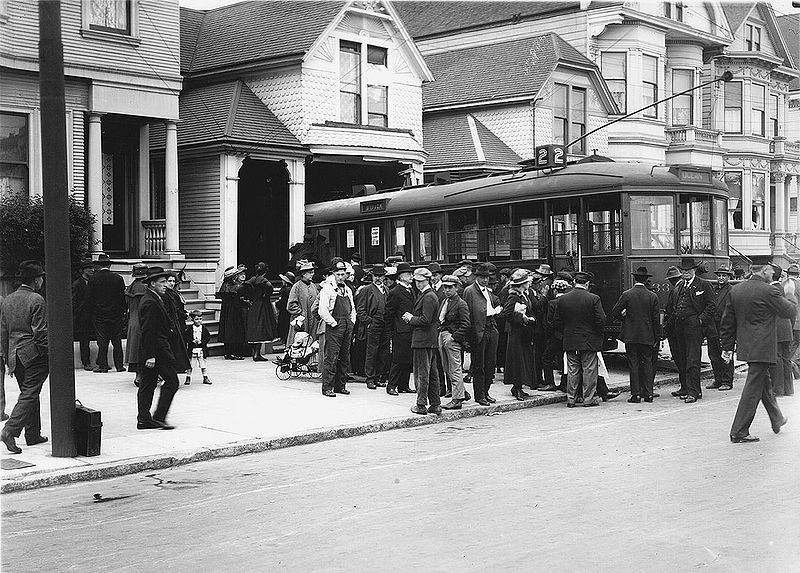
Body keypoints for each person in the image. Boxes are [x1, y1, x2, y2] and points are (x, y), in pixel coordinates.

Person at [720, 264, 794, 443]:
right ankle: (739, 431)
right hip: (763, 347)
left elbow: (728, 321)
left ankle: (776, 419)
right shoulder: (768, 291)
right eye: (770, 270)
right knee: (753, 388)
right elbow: (789, 311)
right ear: (764, 271)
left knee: (763, 382)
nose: (773, 273)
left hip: (746, 346)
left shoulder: (736, 290)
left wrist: (727, 347)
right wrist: (790, 293)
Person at [0, 261, 49, 454]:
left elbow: (3, 331)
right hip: (33, 354)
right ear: (36, 279)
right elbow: (40, 332)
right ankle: (10, 430)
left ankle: (33, 434)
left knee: (29, 392)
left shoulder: (8, 299)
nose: (42, 280)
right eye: (41, 277)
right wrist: (47, 352)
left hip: (14, 354)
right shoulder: (37, 299)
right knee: (29, 393)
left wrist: (5, 356)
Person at [137, 266, 183, 430]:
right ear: (152, 284)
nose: (165, 285)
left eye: (166, 281)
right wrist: (150, 355)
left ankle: (144, 419)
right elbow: (148, 330)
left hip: (156, 349)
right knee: (172, 381)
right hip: (157, 350)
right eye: (162, 282)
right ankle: (158, 417)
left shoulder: (156, 298)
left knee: (148, 384)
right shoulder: (150, 301)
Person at [554, 270, 606, 408]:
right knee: (589, 369)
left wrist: (565, 333)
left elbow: (557, 321)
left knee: (572, 370)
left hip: (570, 340)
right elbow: (601, 319)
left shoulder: (563, 299)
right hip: (589, 340)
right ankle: (588, 399)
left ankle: (571, 399)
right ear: (587, 283)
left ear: (574, 282)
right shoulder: (594, 298)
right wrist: (597, 333)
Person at [667, 258, 716, 403]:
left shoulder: (703, 285)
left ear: (694, 270)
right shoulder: (680, 285)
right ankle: (688, 388)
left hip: (694, 328)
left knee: (693, 360)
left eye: (688, 270)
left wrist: (700, 320)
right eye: (683, 271)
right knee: (682, 359)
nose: (686, 273)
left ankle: (693, 393)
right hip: (680, 328)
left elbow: (711, 306)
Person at [611, 266, 660, 403]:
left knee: (634, 364)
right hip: (647, 335)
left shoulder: (627, 294)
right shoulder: (652, 296)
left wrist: (625, 319)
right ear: (646, 280)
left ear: (634, 278)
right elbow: (656, 320)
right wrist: (657, 336)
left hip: (631, 335)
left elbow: (615, 312)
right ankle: (649, 393)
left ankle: (636, 394)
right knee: (648, 363)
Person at [463, 262, 502, 406]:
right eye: (482, 277)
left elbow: (492, 304)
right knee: (479, 365)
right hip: (479, 331)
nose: (485, 280)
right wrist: (468, 337)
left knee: (490, 364)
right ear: (476, 277)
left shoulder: (488, 291)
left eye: (487, 277)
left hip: (491, 328)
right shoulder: (470, 291)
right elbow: (467, 314)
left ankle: (486, 392)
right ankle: (479, 395)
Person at [404, 267, 441, 415]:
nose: (418, 284)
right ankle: (435, 404)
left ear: (427, 280)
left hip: (422, 339)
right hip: (428, 339)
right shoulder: (429, 295)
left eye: (421, 281)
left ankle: (421, 404)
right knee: (432, 373)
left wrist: (410, 318)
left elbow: (426, 319)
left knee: (421, 373)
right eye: (417, 281)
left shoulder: (428, 296)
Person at [318, 261, 356, 397]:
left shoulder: (348, 290)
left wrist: (352, 322)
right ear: (333, 274)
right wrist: (333, 323)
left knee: (344, 357)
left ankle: (341, 386)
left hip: (347, 326)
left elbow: (353, 308)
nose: (340, 277)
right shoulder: (327, 289)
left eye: (343, 274)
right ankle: (327, 387)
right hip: (334, 327)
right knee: (331, 358)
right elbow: (322, 310)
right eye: (338, 274)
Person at [87, 253, 126, 373]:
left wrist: (91, 312)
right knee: (116, 341)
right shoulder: (118, 278)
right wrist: (122, 312)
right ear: (109, 265)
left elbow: (89, 298)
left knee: (102, 341)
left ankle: (103, 366)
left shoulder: (93, 279)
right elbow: (122, 298)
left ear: (99, 265)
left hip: (99, 314)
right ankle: (119, 366)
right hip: (115, 315)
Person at [503, 269, 537, 400]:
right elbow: (507, 314)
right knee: (517, 360)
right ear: (522, 283)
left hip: (523, 333)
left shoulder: (524, 295)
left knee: (523, 359)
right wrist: (522, 318)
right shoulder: (514, 297)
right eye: (527, 282)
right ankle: (516, 387)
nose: (529, 284)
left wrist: (530, 318)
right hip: (516, 333)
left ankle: (519, 387)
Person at [438, 274, 471, 410]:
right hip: (442, 335)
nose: (446, 290)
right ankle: (461, 392)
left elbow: (466, 324)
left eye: (450, 287)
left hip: (452, 338)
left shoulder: (461, 304)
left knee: (455, 369)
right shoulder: (445, 301)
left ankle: (457, 399)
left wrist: (454, 337)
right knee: (447, 368)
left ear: (456, 288)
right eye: (445, 287)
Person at [384, 262, 415, 395]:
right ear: (401, 276)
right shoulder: (395, 292)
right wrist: (391, 331)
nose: (411, 277)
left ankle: (404, 385)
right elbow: (389, 313)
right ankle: (391, 385)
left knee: (407, 359)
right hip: (400, 331)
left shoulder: (411, 289)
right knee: (398, 359)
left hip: (410, 329)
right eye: (408, 274)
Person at [357, 264, 390, 390]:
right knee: (372, 352)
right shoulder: (366, 290)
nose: (378, 278)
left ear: (384, 276)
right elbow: (360, 310)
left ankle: (378, 377)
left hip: (385, 325)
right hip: (373, 324)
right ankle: (370, 378)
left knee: (383, 352)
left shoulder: (387, 290)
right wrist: (369, 322)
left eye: (380, 276)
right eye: (375, 276)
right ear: (372, 276)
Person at [706, 266, 735, 392]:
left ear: (728, 277)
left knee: (726, 354)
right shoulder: (714, 290)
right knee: (713, 354)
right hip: (713, 326)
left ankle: (727, 381)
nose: (721, 278)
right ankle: (718, 379)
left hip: (725, 327)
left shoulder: (731, 290)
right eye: (719, 276)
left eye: (724, 276)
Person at [769, 264, 794, 397]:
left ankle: (778, 389)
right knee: (786, 358)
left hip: (776, 328)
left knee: (777, 358)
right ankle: (788, 389)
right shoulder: (784, 288)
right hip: (787, 327)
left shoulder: (771, 290)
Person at [244, 262, 278, 361]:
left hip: (254, 305)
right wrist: (265, 295)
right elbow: (270, 287)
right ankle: (256, 354)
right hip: (263, 306)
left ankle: (255, 353)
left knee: (255, 329)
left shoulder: (253, 279)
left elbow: (244, 287)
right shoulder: (264, 281)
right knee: (261, 329)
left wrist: (250, 296)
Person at [217, 265, 249, 360]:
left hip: (226, 312)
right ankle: (234, 353)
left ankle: (227, 352)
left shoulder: (224, 286)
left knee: (227, 331)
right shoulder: (235, 287)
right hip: (234, 313)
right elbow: (237, 302)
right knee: (234, 332)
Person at [125, 263, 149, 387]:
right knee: (144, 348)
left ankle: (138, 376)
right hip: (143, 321)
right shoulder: (145, 288)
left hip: (132, 322)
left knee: (135, 350)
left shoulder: (131, 287)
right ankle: (143, 376)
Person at [286, 262, 318, 348]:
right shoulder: (296, 287)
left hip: (313, 321)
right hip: (301, 322)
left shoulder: (313, 286)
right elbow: (291, 305)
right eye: (310, 272)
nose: (312, 274)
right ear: (303, 274)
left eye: (313, 272)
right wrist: (301, 314)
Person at [72, 258, 95, 370]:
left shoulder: (94, 282)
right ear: (83, 270)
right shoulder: (77, 284)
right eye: (89, 268)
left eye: (92, 267)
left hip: (93, 314)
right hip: (83, 316)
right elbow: (74, 301)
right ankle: (86, 362)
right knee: (84, 339)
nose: (92, 270)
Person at [184, 310, 211, 385]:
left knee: (203, 365)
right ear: (192, 320)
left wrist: (202, 342)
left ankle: (205, 377)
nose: (199, 321)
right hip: (193, 349)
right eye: (196, 319)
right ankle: (188, 377)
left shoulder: (204, 328)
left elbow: (208, 337)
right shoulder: (190, 329)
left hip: (201, 349)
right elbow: (186, 337)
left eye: (200, 319)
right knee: (191, 365)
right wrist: (192, 341)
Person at [275, 271, 295, 345]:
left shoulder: (285, 290)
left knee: (284, 330)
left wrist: (277, 304)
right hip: (289, 313)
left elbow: (283, 303)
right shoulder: (292, 289)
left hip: (284, 313)